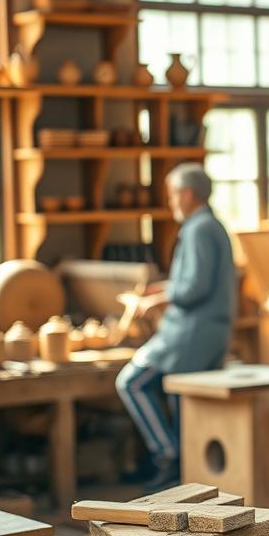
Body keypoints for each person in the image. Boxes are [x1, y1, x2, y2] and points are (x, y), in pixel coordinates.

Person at [115, 163, 236, 491]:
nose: (170, 203)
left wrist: (157, 301)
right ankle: (185, 465)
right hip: (209, 331)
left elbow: (193, 289)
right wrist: (161, 290)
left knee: (132, 381)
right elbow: (194, 282)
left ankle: (168, 456)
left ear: (187, 194)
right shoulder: (211, 226)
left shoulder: (199, 228)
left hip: (191, 332)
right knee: (184, 402)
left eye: (172, 196)